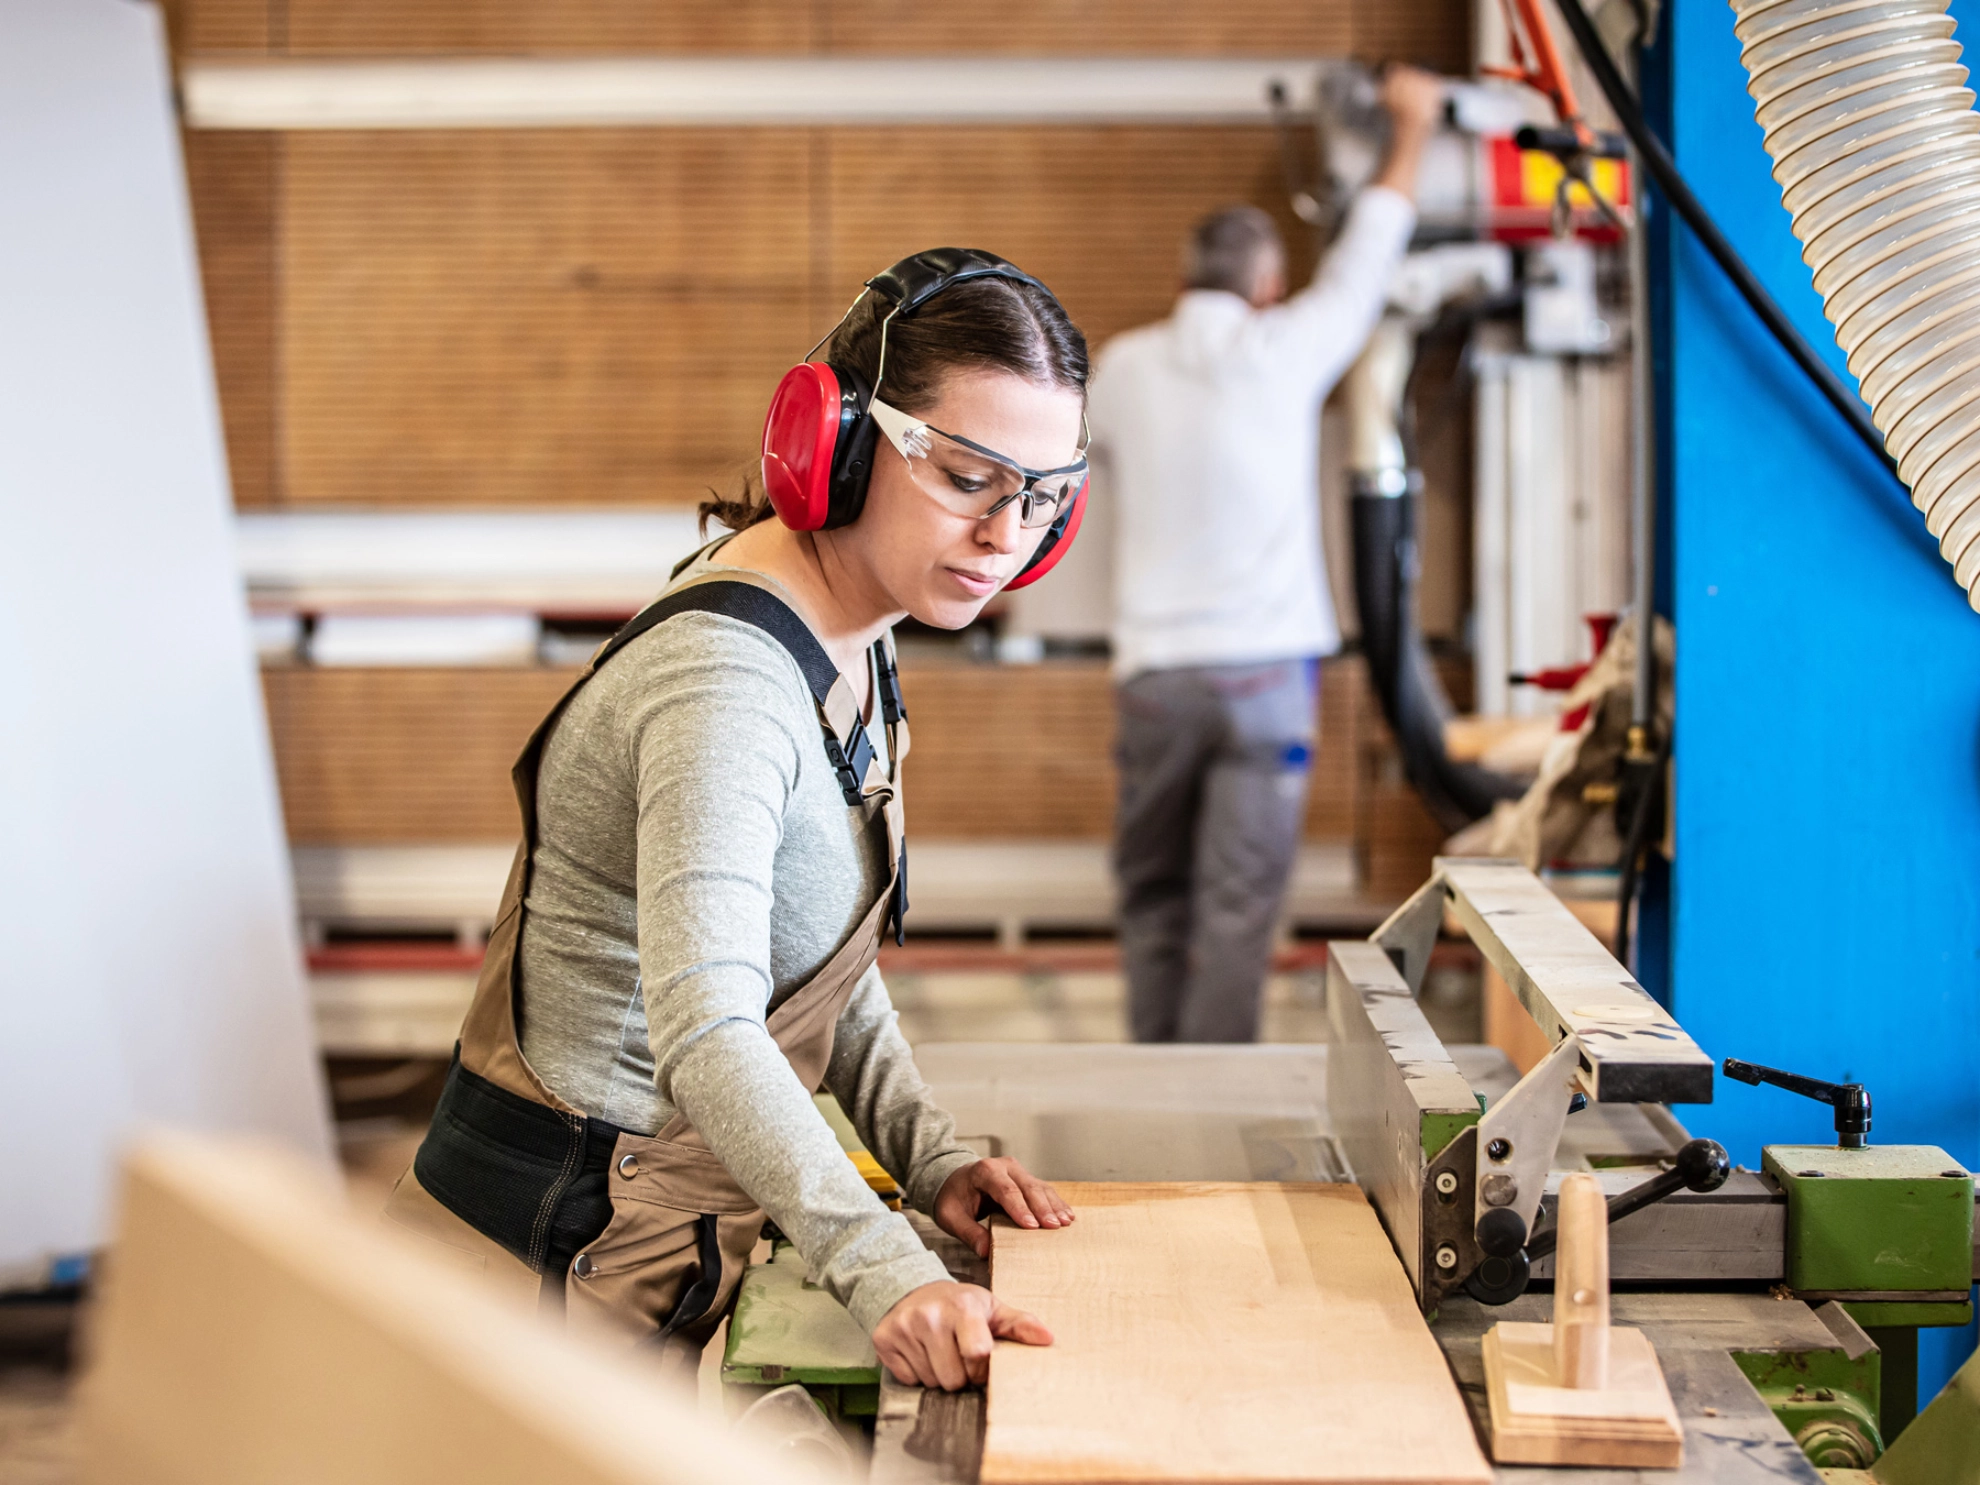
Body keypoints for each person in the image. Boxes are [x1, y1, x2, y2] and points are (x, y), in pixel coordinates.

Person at [384, 249, 1090, 1393]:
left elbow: (807, 953)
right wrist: (886, 1267)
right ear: (843, 446)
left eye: (1044, 495)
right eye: (967, 477)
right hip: (537, 1266)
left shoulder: (858, 627)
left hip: (627, 1237)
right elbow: (709, 1028)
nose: (1007, 536)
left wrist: (929, 1156)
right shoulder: (728, 686)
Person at [1089, 66, 1446, 1044]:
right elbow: (1374, 246)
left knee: (1153, 893)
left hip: (1156, 677)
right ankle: (1210, 1107)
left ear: (1182, 281)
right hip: (1266, 681)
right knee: (1239, 911)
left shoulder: (1119, 368)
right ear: (1268, 284)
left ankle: (1151, 1090)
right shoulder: (1289, 345)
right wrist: (1411, 124)